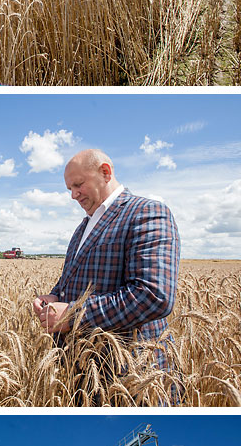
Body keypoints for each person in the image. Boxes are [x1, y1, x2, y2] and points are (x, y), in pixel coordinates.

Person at [33, 149, 180, 370]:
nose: (73, 195)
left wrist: (72, 316)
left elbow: (153, 296)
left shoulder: (147, 212)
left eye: (78, 184)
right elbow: (74, 276)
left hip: (129, 370)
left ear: (105, 172)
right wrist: (55, 295)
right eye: (69, 189)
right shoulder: (83, 226)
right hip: (82, 365)